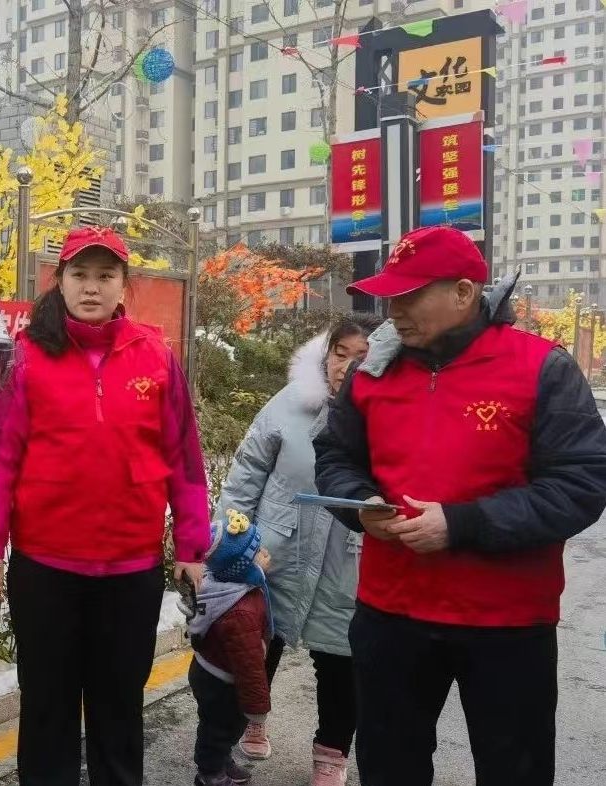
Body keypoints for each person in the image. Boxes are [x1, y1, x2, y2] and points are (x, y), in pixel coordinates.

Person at [314, 225, 606, 786]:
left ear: (465, 292)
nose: (394, 311)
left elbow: (580, 485)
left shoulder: (541, 368)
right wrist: (359, 505)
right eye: (390, 296)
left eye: (410, 295)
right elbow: (334, 456)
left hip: (506, 622)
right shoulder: (373, 372)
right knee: (389, 769)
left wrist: (462, 523)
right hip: (391, 615)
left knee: (513, 771)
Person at [0, 225, 211, 786]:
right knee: (47, 707)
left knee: (119, 707)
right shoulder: (27, 357)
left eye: (106, 275)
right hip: (46, 569)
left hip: (131, 570)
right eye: (80, 274)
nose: (92, 287)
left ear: (125, 283)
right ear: (60, 281)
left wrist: (192, 546)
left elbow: (184, 457)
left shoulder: (155, 356)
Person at [214, 313, 382, 785]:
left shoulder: (392, 414)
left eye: (361, 357)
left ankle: (331, 751)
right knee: (256, 642)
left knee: (340, 656)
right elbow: (247, 472)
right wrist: (231, 538)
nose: (345, 366)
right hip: (275, 548)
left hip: (348, 555)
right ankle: (252, 718)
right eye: (339, 354)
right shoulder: (290, 403)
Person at [185, 510, 274, 786]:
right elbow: (249, 666)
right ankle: (209, 773)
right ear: (243, 566)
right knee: (219, 727)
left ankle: (221, 760)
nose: (266, 554)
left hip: (210, 670)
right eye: (259, 552)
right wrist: (257, 708)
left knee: (221, 724)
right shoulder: (240, 612)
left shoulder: (227, 586)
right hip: (221, 679)